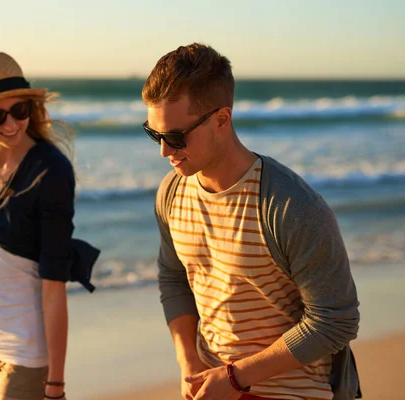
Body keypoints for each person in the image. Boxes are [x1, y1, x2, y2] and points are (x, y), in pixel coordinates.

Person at [142, 43, 361, 400]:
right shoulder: (171, 192)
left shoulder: (291, 206)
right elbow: (174, 277)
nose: (164, 150)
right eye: (154, 134)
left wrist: (235, 378)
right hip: (212, 387)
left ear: (221, 120)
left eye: (175, 136)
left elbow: (336, 321)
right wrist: (188, 362)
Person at [0, 52, 99, 400]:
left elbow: (54, 282)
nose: (11, 124)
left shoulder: (49, 171)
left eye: (20, 111)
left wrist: (55, 383)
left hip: (27, 349)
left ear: (30, 108)